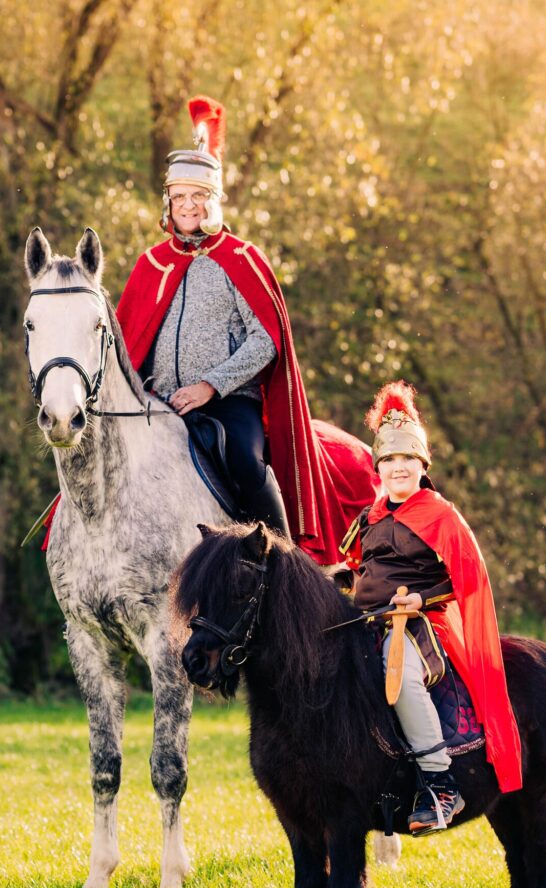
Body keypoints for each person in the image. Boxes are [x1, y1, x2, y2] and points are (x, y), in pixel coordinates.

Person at [115, 96, 363, 561]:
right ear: (167, 201)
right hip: (160, 401)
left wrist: (211, 385)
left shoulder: (240, 260)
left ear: (213, 200)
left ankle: (286, 562)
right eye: (179, 197)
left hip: (229, 402)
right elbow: (130, 344)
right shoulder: (152, 264)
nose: (187, 206)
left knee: (247, 462)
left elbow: (266, 339)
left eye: (197, 196)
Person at [341, 381, 524, 834]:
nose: (398, 468)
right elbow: (351, 568)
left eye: (408, 460)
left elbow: (469, 578)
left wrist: (422, 598)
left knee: (397, 674)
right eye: (389, 460)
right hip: (365, 623)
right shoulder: (370, 517)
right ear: (378, 468)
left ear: (422, 466)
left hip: (420, 627)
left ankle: (441, 785)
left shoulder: (439, 513)